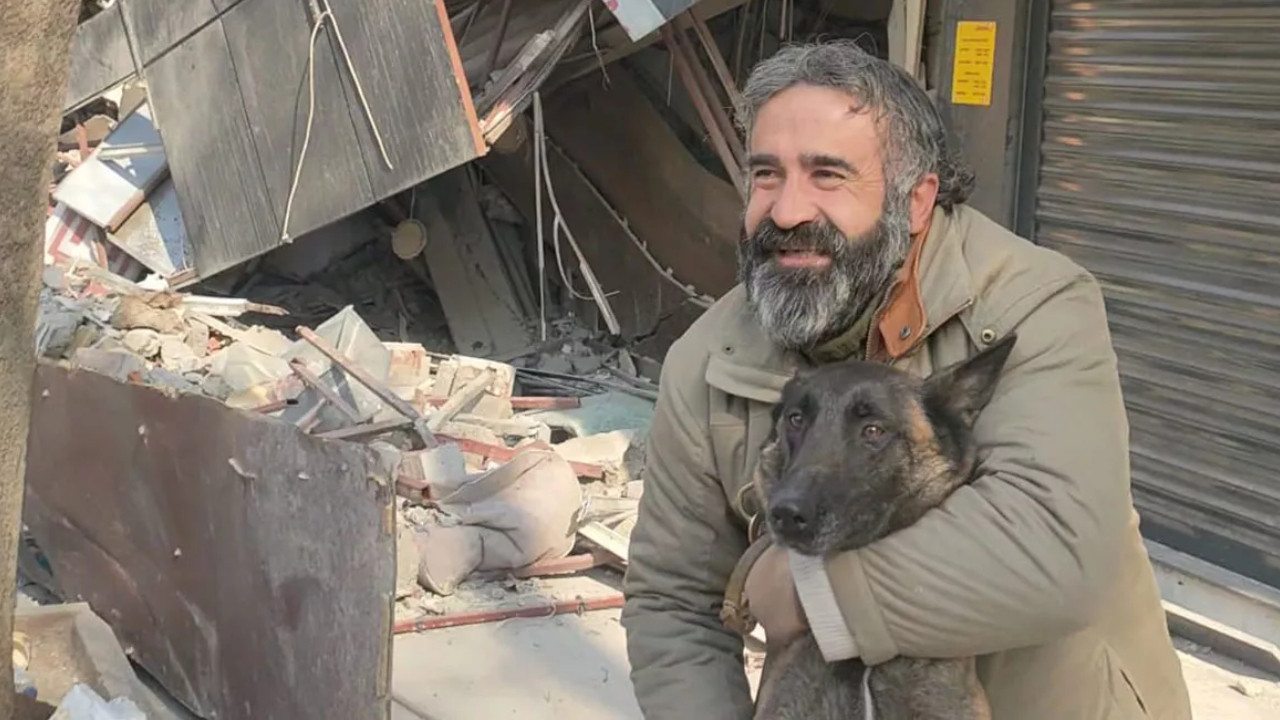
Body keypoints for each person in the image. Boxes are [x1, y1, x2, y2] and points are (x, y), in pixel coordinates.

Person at [620, 39, 1192, 720]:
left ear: (916, 200)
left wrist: (810, 593)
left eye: (827, 175)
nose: (787, 210)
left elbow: (1055, 549)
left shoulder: (1035, 304)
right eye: (767, 174)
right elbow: (672, 601)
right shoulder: (709, 357)